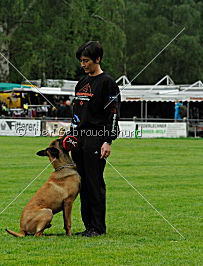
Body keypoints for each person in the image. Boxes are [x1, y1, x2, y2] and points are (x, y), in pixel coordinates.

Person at [69, 41, 120, 237]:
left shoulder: (108, 83)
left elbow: (113, 113)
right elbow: (76, 112)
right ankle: (88, 226)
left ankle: (98, 227)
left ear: (97, 59)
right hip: (79, 138)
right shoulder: (81, 83)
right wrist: (72, 134)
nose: (83, 64)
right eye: (81, 61)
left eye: (86, 60)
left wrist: (108, 140)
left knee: (94, 182)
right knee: (82, 183)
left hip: (97, 137)